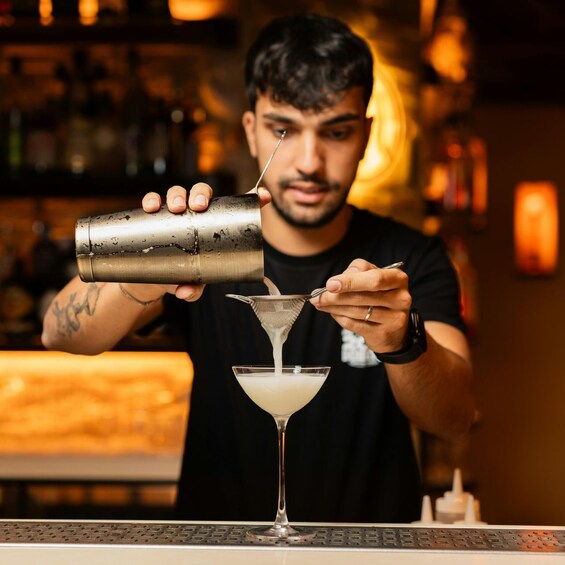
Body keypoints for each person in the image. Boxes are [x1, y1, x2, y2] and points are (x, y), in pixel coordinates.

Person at [42, 12, 475, 523]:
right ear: (250, 132)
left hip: (366, 549)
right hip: (215, 546)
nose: (309, 161)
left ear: (365, 136)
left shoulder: (410, 256)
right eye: (282, 130)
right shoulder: (205, 245)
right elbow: (59, 333)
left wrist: (403, 341)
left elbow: (455, 418)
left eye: (336, 132)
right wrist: (153, 261)